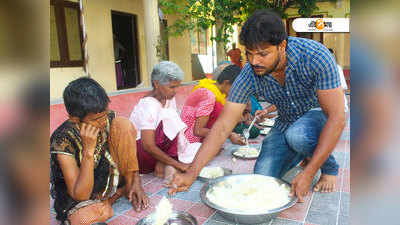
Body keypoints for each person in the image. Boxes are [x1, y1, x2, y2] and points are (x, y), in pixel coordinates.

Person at [168, 10, 345, 202]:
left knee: (298, 135)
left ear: (282, 46)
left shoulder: (314, 56)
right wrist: (192, 172)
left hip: (317, 112)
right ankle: (303, 152)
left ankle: (329, 168)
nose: (254, 61)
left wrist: (309, 173)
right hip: (286, 120)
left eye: (263, 54)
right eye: (249, 53)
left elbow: (337, 117)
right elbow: (222, 127)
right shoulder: (248, 74)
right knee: (261, 178)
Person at [50, 77, 149, 225]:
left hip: (105, 177)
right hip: (79, 192)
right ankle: (115, 196)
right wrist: (88, 152)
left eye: (105, 114)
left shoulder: (106, 118)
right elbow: (80, 195)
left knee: (123, 124)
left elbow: (124, 150)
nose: (103, 122)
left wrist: (136, 181)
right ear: (74, 119)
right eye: (96, 119)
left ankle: (129, 185)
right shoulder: (61, 140)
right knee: (85, 218)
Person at [129, 61, 190, 180]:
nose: (176, 90)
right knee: (169, 120)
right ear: (156, 84)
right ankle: (167, 164)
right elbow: (147, 145)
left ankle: (163, 164)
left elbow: (174, 130)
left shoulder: (168, 98)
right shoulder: (149, 104)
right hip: (141, 154)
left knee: (172, 119)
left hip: (157, 150)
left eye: (178, 86)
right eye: (172, 87)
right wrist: (179, 165)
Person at [179, 65, 246, 162]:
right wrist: (229, 135)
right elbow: (198, 131)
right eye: (236, 88)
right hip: (190, 144)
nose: (237, 92)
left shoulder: (215, 92)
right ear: (226, 82)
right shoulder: (208, 94)